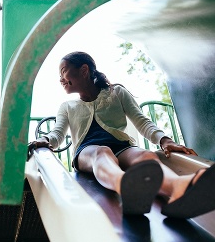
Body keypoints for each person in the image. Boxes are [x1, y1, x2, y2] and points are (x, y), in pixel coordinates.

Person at [29, 51, 215, 218]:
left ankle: (178, 187)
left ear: (84, 70)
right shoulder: (67, 107)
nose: (60, 78)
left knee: (145, 155)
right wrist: (44, 140)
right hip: (87, 152)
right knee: (101, 152)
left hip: (121, 147)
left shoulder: (116, 93)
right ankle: (125, 186)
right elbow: (57, 133)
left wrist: (164, 140)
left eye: (63, 71)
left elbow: (141, 121)